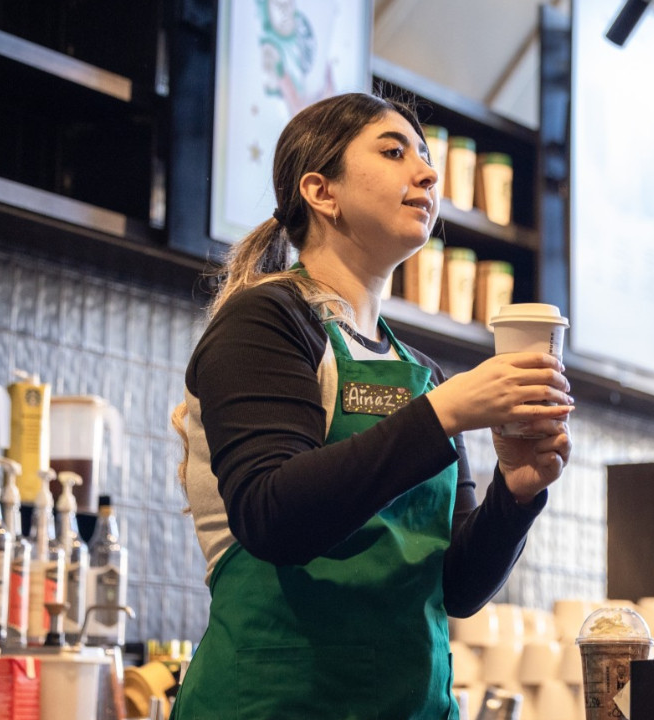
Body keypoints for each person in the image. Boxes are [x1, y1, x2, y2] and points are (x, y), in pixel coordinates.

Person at [169, 92, 573, 719]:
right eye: (394, 152)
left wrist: (515, 494)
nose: (428, 173)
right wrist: (441, 415)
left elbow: (458, 590)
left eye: (427, 158)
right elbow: (272, 514)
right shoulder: (265, 321)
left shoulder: (422, 372)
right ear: (321, 192)